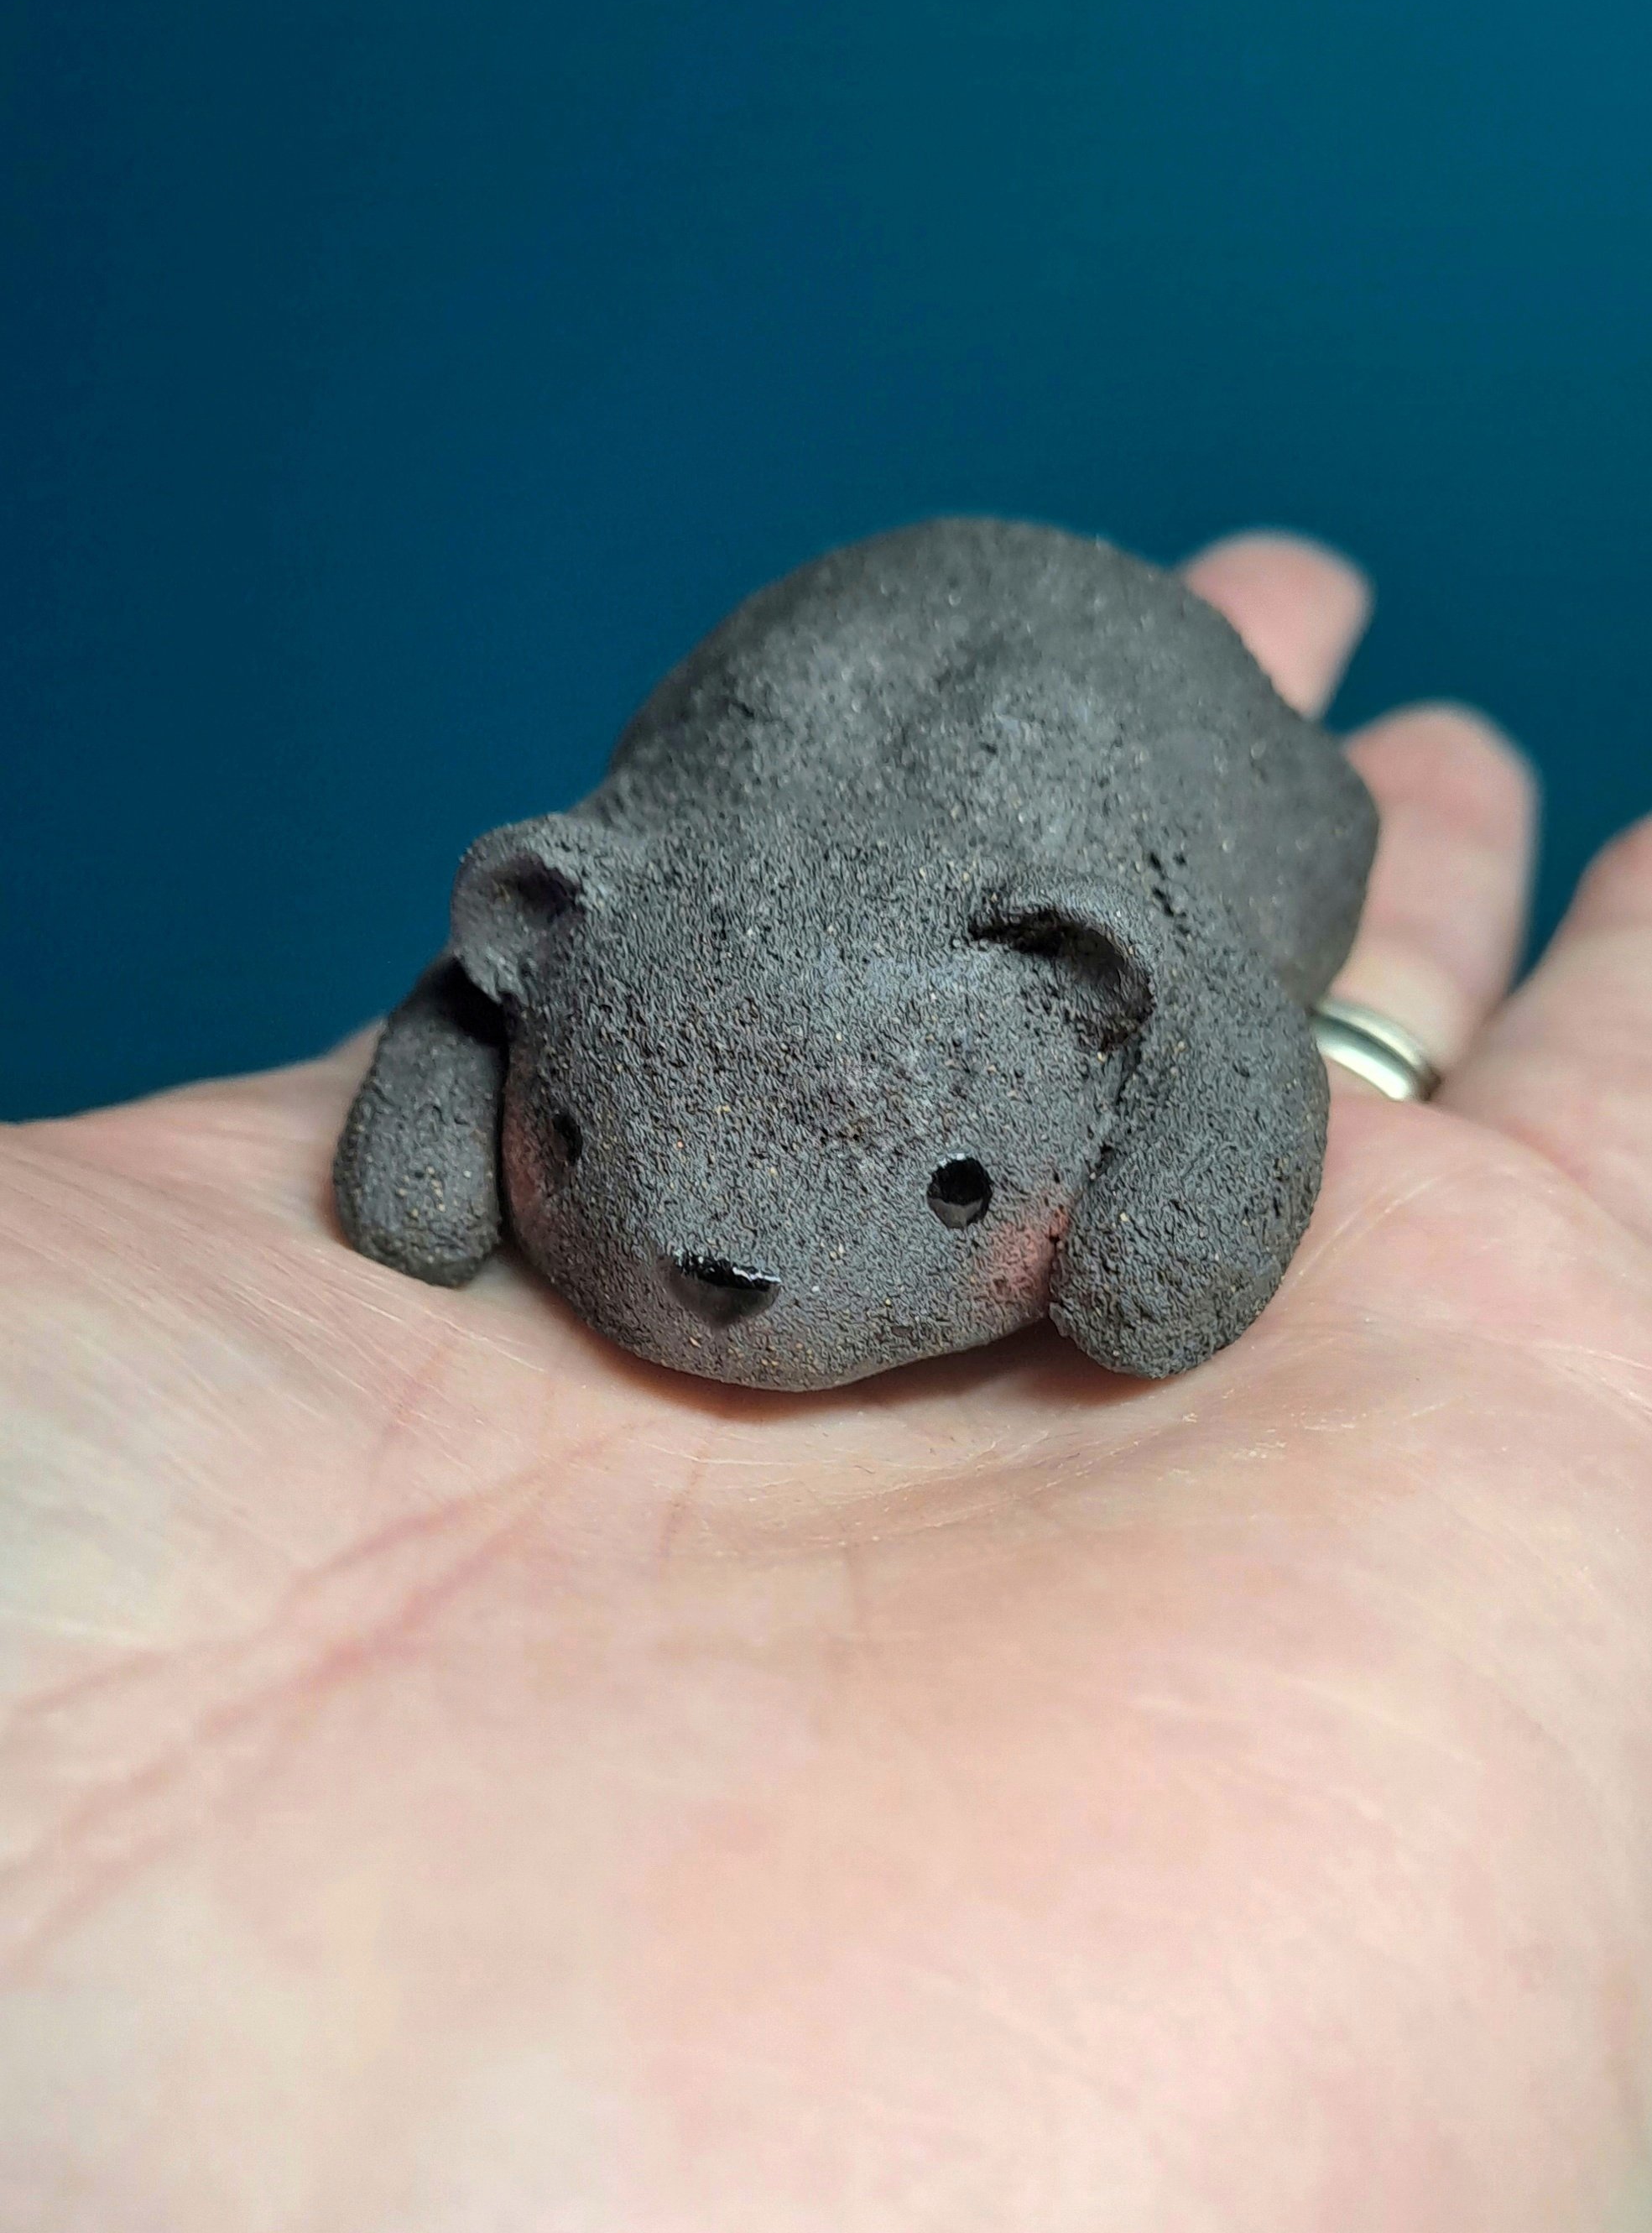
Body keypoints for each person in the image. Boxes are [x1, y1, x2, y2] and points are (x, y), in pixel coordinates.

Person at [3, 533, 1648, 2230]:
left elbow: (1221, 1039)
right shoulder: (590, 902)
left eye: (953, 1189)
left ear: (1091, 988)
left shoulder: (1113, 957)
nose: (722, 1262)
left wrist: (1165, 1237)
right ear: (535, 928)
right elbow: (482, 995)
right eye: (582, 1138)